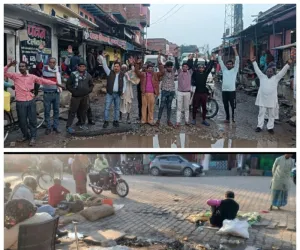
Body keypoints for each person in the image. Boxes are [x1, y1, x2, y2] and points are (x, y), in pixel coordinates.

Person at [4, 61, 61, 146]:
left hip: (31, 101)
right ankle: (26, 136)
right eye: (20, 66)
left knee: (32, 121)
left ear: (26, 68)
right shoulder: (15, 76)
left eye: (23, 66)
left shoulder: (32, 77)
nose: (21, 68)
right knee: (22, 122)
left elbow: (43, 81)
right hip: (20, 102)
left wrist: (56, 84)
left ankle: (33, 137)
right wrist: (9, 65)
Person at [251, 56, 292, 134]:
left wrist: (288, 64)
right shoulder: (262, 77)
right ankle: (259, 126)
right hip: (262, 99)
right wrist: (254, 62)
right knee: (261, 113)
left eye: (271, 71)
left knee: (271, 115)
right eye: (268, 71)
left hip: (271, 100)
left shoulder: (276, 78)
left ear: (273, 72)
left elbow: (283, 72)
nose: (269, 72)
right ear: (266, 72)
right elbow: (257, 70)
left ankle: (270, 127)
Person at [36, 44, 70, 135]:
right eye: (50, 62)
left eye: (53, 62)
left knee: (56, 111)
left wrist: (69, 55)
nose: (52, 63)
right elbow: (38, 60)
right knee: (47, 111)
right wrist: (39, 51)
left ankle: (55, 127)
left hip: (56, 93)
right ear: (48, 62)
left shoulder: (58, 69)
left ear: (55, 63)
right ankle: (48, 127)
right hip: (47, 93)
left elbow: (66, 64)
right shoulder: (44, 68)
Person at [66, 61, 94, 134]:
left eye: (83, 66)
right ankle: (68, 126)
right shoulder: (73, 75)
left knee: (83, 111)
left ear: (85, 67)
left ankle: (82, 124)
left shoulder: (88, 75)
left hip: (85, 96)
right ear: (77, 67)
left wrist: (88, 90)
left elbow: (91, 85)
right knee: (72, 111)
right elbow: (68, 85)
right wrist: (74, 92)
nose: (82, 68)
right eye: (80, 66)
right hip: (76, 97)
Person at [100, 53, 127, 128]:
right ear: (113, 67)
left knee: (117, 108)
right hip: (110, 94)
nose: (116, 68)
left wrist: (123, 91)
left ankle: (116, 121)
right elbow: (104, 66)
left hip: (118, 94)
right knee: (107, 108)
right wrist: (104, 58)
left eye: (117, 66)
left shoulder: (122, 75)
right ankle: (106, 121)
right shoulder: (109, 72)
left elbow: (125, 84)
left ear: (120, 67)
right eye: (115, 66)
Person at [135, 58, 165, 125]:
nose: (150, 69)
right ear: (146, 69)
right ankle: (143, 120)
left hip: (152, 94)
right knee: (144, 107)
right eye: (149, 68)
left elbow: (163, 72)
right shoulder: (143, 74)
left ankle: (150, 120)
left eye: (151, 68)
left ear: (153, 69)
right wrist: (137, 63)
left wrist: (160, 64)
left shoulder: (156, 74)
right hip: (144, 93)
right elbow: (136, 71)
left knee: (151, 108)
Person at [191, 54, 216, 126]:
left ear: (204, 68)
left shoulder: (205, 73)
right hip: (197, 92)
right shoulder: (196, 73)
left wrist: (212, 60)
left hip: (204, 93)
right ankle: (193, 119)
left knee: (204, 107)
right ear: (198, 68)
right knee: (195, 106)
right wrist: (196, 58)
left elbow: (210, 66)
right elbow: (193, 67)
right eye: (200, 68)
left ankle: (204, 120)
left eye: (202, 68)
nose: (201, 69)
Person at [218, 45, 239, 123]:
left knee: (232, 105)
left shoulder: (234, 70)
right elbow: (220, 60)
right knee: (225, 105)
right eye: (228, 64)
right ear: (226, 65)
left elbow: (237, 60)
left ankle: (233, 118)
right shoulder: (224, 69)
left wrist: (234, 49)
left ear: (232, 65)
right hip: (224, 91)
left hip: (232, 91)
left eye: (230, 64)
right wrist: (220, 50)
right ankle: (227, 118)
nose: (229, 65)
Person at [174, 51, 195, 127]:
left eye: (186, 67)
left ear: (188, 68)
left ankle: (187, 121)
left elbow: (192, 65)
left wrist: (191, 59)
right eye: (183, 66)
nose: (185, 67)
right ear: (182, 67)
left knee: (187, 108)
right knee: (179, 108)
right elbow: (176, 65)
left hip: (187, 93)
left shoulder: (190, 72)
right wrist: (176, 57)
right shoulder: (179, 72)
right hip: (180, 92)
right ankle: (178, 122)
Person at [156, 55, 176, 127]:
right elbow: (159, 64)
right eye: (168, 67)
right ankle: (158, 120)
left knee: (169, 106)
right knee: (161, 105)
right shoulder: (163, 72)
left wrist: (176, 56)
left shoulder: (173, 72)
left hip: (171, 91)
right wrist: (159, 55)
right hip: (164, 91)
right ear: (166, 67)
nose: (170, 68)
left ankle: (168, 120)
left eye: (171, 67)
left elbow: (176, 65)